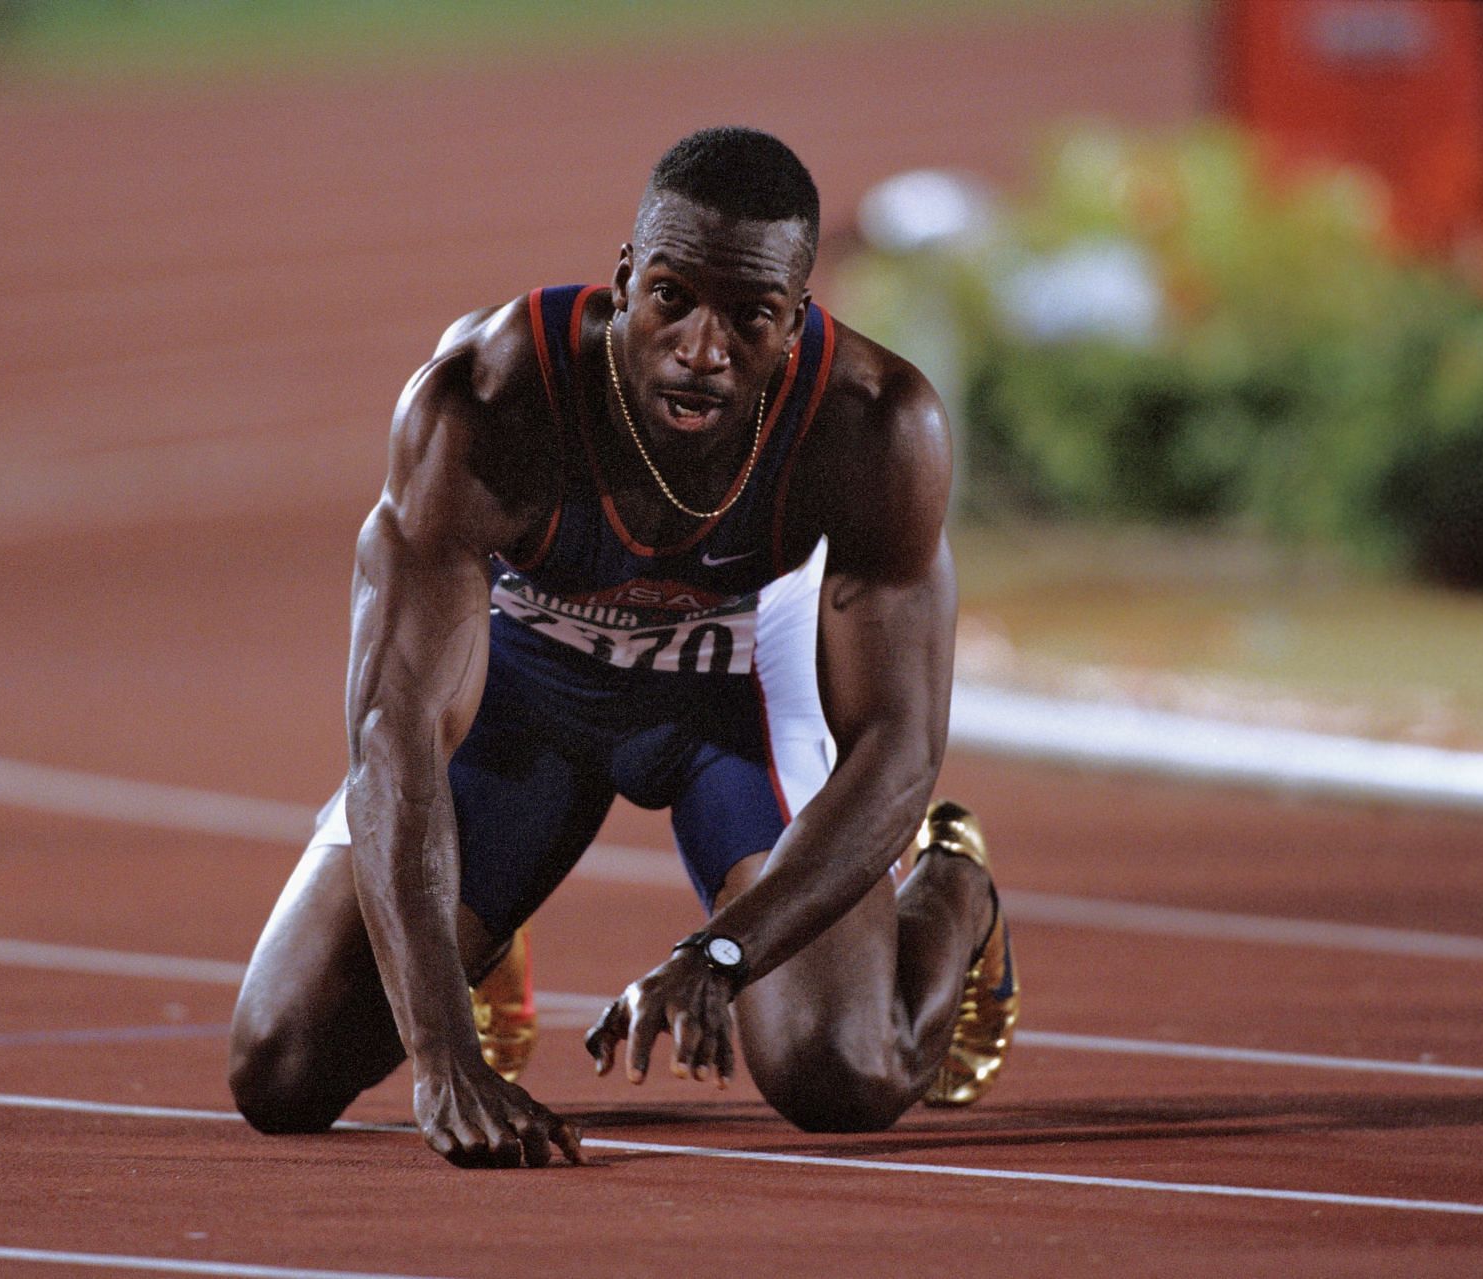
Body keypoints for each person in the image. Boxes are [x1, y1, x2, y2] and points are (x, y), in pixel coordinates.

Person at [228, 126, 1016, 1169]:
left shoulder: (870, 427)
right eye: (673, 300)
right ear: (625, 281)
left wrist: (722, 955)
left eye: (750, 319)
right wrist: (442, 1055)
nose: (701, 350)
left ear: (799, 322)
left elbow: (899, 750)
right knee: (281, 1066)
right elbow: (394, 734)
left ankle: (956, 896)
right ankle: (476, 936)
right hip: (525, 710)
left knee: (844, 1075)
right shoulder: (488, 400)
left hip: (737, 712)